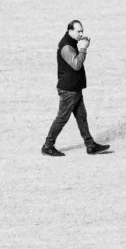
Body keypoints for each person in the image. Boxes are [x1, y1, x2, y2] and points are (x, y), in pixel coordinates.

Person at [41, 21, 110, 157]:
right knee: (62, 118)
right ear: (70, 31)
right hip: (69, 90)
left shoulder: (70, 42)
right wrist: (84, 48)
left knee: (81, 117)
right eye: (78, 31)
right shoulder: (66, 47)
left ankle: (90, 145)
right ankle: (48, 145)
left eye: (82, 31)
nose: (81, 34)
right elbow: (77, 64)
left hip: (74, 88)